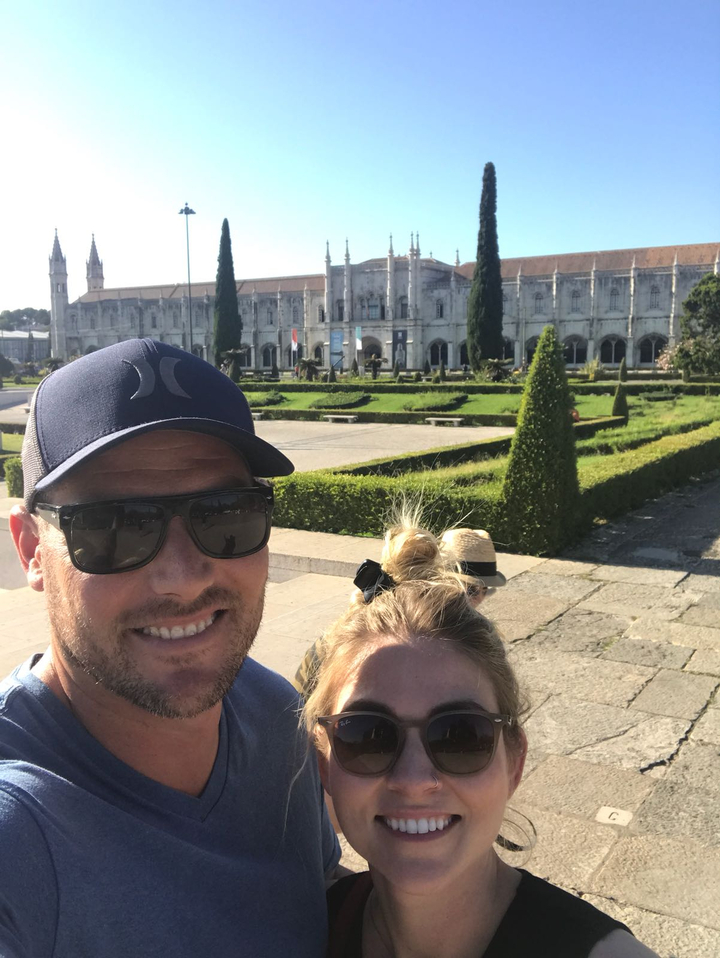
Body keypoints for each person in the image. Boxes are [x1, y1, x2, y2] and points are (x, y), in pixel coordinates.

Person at [1, 339, 340, 958]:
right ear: (29, 549)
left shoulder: (274, 714)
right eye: (115, 526)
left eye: (225, 514)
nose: (183, 577)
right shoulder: (19, 828)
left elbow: (315, 895)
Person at [303, 519, 659, 958]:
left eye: (460, 736)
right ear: (325, 766)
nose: (414, 780)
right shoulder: (303, 929)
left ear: (514, 763)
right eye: (367, 736)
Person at [292, 527, 507, 701]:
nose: (478, 600)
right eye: (472, 590)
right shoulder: (463, 646)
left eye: (485, 591)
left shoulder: (336, 637)